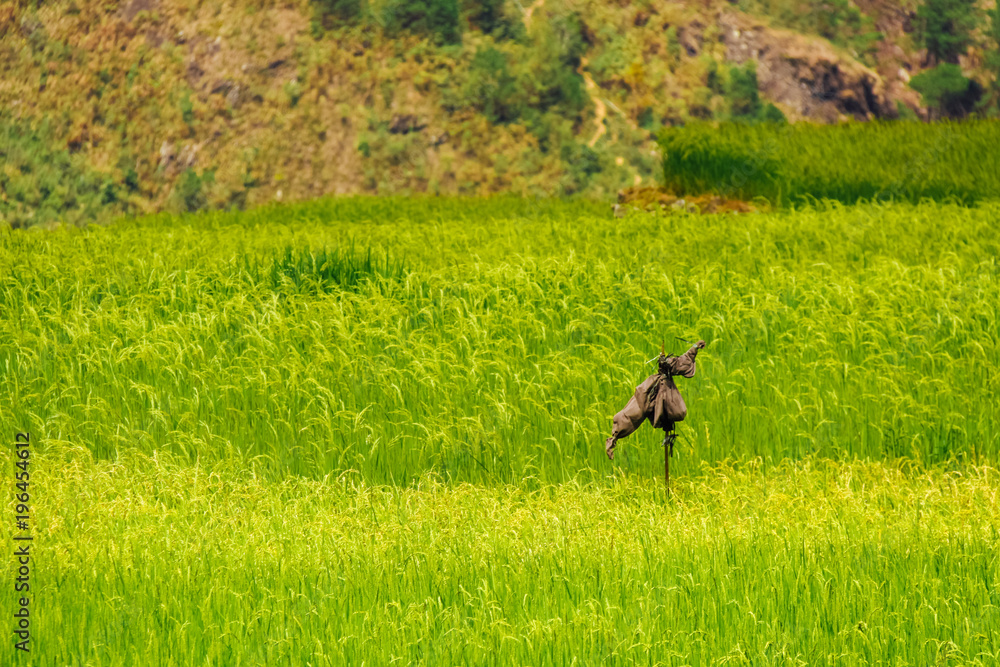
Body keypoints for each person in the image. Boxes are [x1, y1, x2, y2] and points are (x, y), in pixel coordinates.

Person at [605, 340, 706, 460]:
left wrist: (695, 347)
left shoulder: (667, 379)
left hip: (668, 405)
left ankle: (666, 425)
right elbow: (633, 412)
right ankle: (614, 438)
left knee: (645, 409)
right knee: (636, 409)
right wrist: (615, 435)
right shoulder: (650, 388)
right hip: (655, 400)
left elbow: (682, 361)